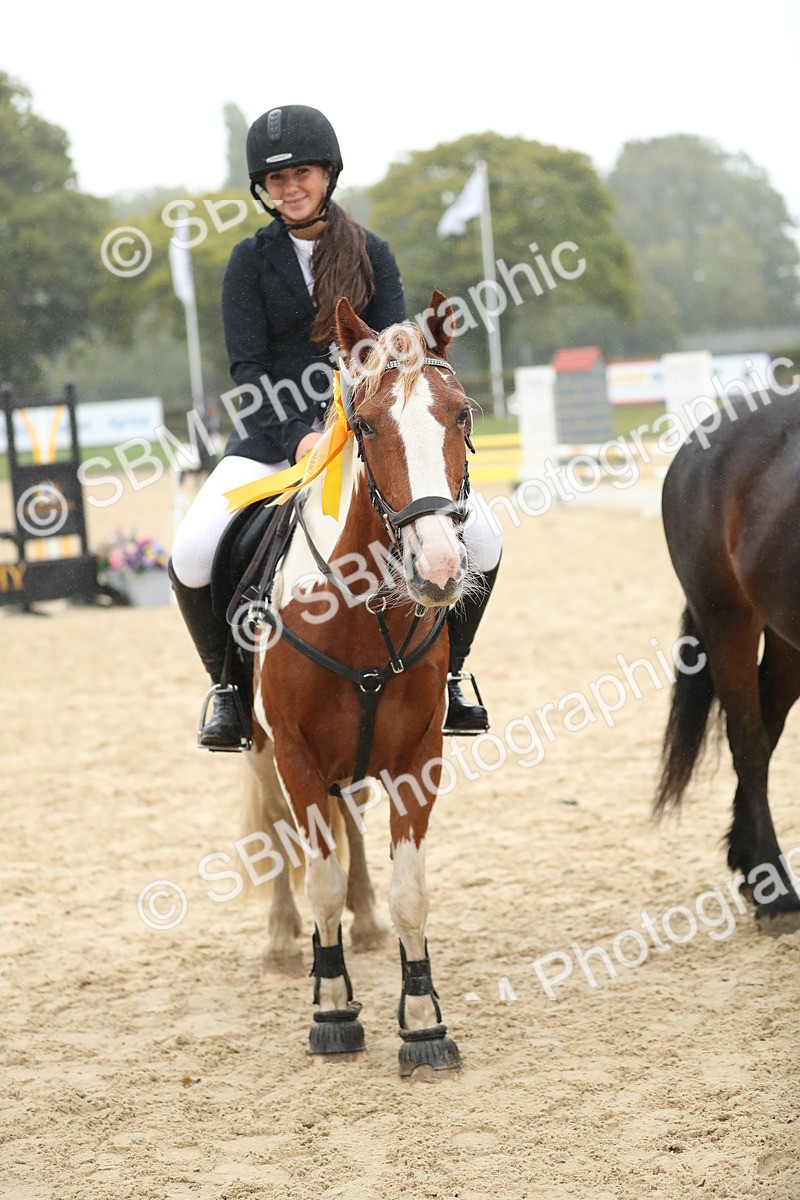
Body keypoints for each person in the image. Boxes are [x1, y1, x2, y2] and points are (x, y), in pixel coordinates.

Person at [169, 104, 501, 750]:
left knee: (483, 540)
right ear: (263, 191)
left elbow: (395, 361)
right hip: (272, 444)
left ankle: (453, 677)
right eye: (275, 180)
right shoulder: (247, 263)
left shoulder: (371, 253)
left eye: (301, 174)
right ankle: (229, 691)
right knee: (191, 551)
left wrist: (348, 428)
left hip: (369, 439)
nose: (289, 188)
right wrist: (298, 433)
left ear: (328, 174)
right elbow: (250, 366)